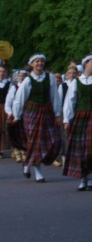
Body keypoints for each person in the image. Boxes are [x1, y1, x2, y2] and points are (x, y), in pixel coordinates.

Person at [62, 54, 92, 190]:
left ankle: (90, 177)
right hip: (80, 117)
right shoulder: (76, 82)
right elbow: (70, 101)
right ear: (85, 65)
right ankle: (83, 178)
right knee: (81, 149)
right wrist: (67, 119)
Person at [11, 54, 62, 182]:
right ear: (32, 64)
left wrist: (57, 114)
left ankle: (27, 163)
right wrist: (16, 115)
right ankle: (38, 170)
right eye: (37, 61)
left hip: (46, 112)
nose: (40, 63)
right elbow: (19, 99)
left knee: (52, 139)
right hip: (31, 112)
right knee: (35, 141)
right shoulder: (28, 80)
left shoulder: (50, 78)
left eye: (41, 61)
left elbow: (55, 97)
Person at [6, 68, 28, 163]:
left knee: (25, 134)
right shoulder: (14, 88)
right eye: (20, 76)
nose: (22, 77)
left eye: (24, 76)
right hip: (15, 113)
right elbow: (8, 102)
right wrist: (10, 113)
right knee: (16, 133)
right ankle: (17, 152)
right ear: (18, 77)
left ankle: (24, 152)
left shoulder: (28, 87)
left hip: (27, 113)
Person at [0, 65, 12, 158]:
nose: (1, 73)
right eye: (0, 71)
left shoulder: (9, 84)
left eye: (3, 71)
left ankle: (2, 149)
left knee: (3, 128)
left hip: (4, 107)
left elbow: (11, 97)